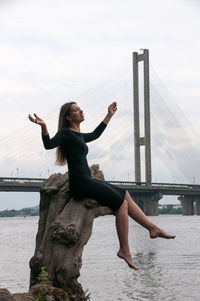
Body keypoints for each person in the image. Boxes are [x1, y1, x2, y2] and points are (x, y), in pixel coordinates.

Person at [28, 101, 175, 270]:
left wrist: (109, 115)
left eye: (80, 108)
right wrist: (44, 127)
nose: (81, 110)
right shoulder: (65, 133)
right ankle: (124, 250)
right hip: (81, 184)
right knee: (121, 205)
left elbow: (96, 134)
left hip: (87, 180)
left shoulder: (78, 135)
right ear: (68, 117)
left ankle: (152, 228)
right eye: (76, 110)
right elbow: (48, 144)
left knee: (125, 194)